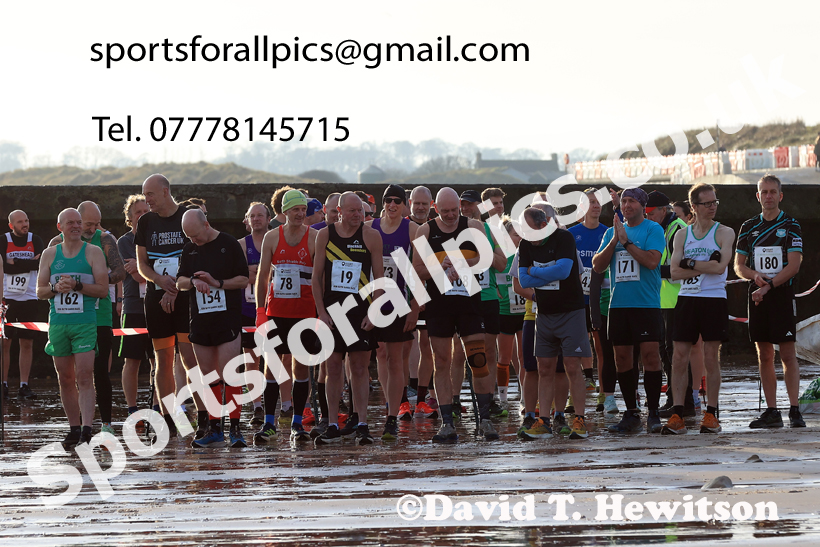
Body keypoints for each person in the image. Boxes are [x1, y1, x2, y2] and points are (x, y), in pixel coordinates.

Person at [412, 188, 497, 442]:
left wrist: (461, 262)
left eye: (454, 210)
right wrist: (441, 265)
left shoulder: (473, 227)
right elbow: (416, 269)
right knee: (442, 361)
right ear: (436, 209)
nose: (450, 215)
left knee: (478, 359)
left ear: (460, 207)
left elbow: (488, 258)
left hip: (469, 300)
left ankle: (485, 420)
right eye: (445, 211)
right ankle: (447, 423)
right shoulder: (425, 231)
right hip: (440, 304)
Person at [48, 201, 127, 435]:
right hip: (65, 317)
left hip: (98, 314)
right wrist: (61, 285)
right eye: (89, 224)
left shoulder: (104, 240)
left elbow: (120, 271)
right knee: (69, 374)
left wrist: (90, 281)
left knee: (99, 370)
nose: (93, 228)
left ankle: (106, 423)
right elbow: (44, 284)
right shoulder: (56, 245)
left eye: (96, 223)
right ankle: (78, 425)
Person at [662, 183, 734, 435]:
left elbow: (720, 268)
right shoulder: (682, 235)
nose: (712, 206)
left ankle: (712, 413)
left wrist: (689, 262)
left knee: (710, 356)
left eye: (715, 202)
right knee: (679, 356)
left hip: (713, 298)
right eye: (707, 203)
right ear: (694, 206)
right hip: (687, 298)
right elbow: (673, 272)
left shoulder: (725, 232)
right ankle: (677, 413)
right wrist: (704, 263)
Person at [312, 192, 384, 445]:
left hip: (360, 311)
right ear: (339, 211)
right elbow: (316, 278)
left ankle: (362, 422)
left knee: (359, 368)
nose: (358, 215)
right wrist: (321, 312)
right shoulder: (325, 235)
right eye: (352, 211)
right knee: (332, 368)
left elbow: (379, 280)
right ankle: (332, 422)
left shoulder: (371, 237)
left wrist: (373, 312)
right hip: (333, 312)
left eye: (361, 211)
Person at [734, 174, 805, 429]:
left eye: (773, 192)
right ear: (758, 196)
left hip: (781, 295)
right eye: (764, 192)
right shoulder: (749, 227)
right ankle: (772, 411)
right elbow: (738, 266)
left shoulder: (792, 225)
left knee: (787, 353)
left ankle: (795, 410)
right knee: (764, 354)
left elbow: (794, 265)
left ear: (780, 195)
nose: (768, 196)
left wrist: (770, 286)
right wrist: (755, 276)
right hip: (757, 296)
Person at [593, 188, 666, 434]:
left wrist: (626, 241)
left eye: (631, 201)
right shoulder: (610, 233)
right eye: (623, 201)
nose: (626, 205)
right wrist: (614, 240)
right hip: (618, 305)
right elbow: (598, 266)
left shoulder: (653, 229)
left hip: (645, 304)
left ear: (642, 206)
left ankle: (654, 411)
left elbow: (652, 261)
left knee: (650, 357)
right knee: (622, 359)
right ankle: (632, 412)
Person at [135, 174, 202, 439]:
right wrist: (159, 280)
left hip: (185, 297)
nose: (147, 199)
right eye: (144, 194)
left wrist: (174, 288)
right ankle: (171, 419)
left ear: (165, 192)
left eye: (150, 194)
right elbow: (142, 264)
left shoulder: (187, 215)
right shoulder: (146, 222)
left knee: (189, 358)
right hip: (156, 298)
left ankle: (202, 417)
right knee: (162, 360)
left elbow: (197, 255)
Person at [177, 209, 250, 447]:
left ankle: (236, 428)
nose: (193, 241)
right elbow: (179, 281)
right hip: (200, 320)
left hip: (226, 319)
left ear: (206, 225)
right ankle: (214, 427)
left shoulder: (228, 243)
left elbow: (243, 279)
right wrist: (194, 281)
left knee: (229, 373)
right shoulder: (189, 249)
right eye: (188, 237)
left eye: (196, 236)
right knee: (208, 376)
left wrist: (216, 282)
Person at [37, 209, 109, 448]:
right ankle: (73, 428)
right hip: (58, 323)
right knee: (65, 377)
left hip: (85, 322)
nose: (77, 226)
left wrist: (77, 285)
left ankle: (87, 430)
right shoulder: (49, 254)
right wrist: (57, 288)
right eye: (71, 223)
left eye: (79, 222)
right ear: (60, 227)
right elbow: (40, 292)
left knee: (85, 376)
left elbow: (102, 289)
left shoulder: (94, 252)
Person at [517, 206, 591, 440]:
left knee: (571, 366)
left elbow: (565, 270)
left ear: (543, 225)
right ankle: (544, 420)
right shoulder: (525, 244)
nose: (528, 237)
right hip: (544, 313)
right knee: (544, 368)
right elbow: (523, 279)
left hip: (571, 312)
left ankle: (579, 420)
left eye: (530, 231)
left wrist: (535, 271)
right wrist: (541, 272)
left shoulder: (564, 237)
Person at [255, 190, 320, 443]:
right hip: (276, 312)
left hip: (304, 312)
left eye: (303, 210)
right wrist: (261, 312)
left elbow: (320, 278)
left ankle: (296, 423)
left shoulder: (314, 237)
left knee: (300, 366)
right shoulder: (272, 237)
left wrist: (320, 313)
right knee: (271, 367)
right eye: (295, 210)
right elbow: (262, 277)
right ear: (284, 212)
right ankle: (269, 423)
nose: (300, 214)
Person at [369, 184, 420, 440]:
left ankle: (394, 411)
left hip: (400, 302)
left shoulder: (411, 229)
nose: (392, 205)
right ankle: (390, 403)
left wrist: (415, 308)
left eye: (397, 201)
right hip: (375, 301)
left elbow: (423, 270)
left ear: (404, 205)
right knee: (379, 353)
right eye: (388, 200)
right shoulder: (371, 228)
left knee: (395, 357)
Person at [644, 191, 695, 415]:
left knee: (677, 353)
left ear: (664, 211)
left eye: (651, 213)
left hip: (677, 298)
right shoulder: (661, 228)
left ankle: (683, 402)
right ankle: (676, 398)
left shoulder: (678, 230)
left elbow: (681, 269)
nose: (648, 217)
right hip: (663, 298)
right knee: (667, 352)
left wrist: (651, 268)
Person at [460, 190, 508, 417]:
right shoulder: (451, 232)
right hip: (459, 297)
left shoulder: (489, 230)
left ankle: (488, 401)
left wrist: (480, 257)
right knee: (458, 355)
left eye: (471, 204)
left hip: (487, 297)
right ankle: (453, 401)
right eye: (463, 204)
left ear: (480, 207)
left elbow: (501, 263)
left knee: (488, 351)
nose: (466, 208)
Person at [568, 189, 608, 401]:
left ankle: (604, 393)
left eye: (598, 202)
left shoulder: (608, 232)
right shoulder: (571, 234)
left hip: (600, 299)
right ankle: (574, 396)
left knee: (601, 346)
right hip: (576, 299)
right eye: (591, 202)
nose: (596, 205)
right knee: (574, 349)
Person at [117, 195, 155, 420]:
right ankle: (132, 407)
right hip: (133, 306)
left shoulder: (159, 238)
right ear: (129, 219)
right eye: (137, 212)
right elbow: (135, 273)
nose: (142, 215)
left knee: (159, 358)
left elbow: (149, 270)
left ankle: (159, 405)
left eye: (145, 211)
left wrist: (144, 267)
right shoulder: (124, 242)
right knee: (131, 360)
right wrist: (151, 268)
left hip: (157, 305)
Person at [2, 210, 46, 400]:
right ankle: (3, 384)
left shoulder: (35, 239)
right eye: (20, 222)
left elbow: (40, 265)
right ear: (11, 225)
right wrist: (27, 263)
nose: (25, 224)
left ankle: (24, 384)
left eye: (26, 220)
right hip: (7, 297)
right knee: (5, 342)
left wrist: (16, 262)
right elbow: (4, 266)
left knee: (26, 342)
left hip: (29, 296)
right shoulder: (3, 240)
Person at [406, 186, 437, 418]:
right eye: (417, 203)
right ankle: (400, 399)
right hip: (400, 294)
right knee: (402, 349)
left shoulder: (432, 228)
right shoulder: (403, 225)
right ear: (410, 203)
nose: (420, 207)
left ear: (431, 205)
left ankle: (421, 398)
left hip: (427, 295)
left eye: (424, 204)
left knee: (428, 347)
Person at [239, 202, 271, 427]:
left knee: (275, 358)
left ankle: (278, 403)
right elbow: (241, 276)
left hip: (273, 309)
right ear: (247, 220)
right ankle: (257, 405)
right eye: (253, 216)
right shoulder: (242, 245)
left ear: (268, 218)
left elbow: (267, 273)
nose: (257, 219)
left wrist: (255, 272)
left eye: (261, 215)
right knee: (252, 360)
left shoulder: (275, 240)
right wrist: (259, 273)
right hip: (248, 309)